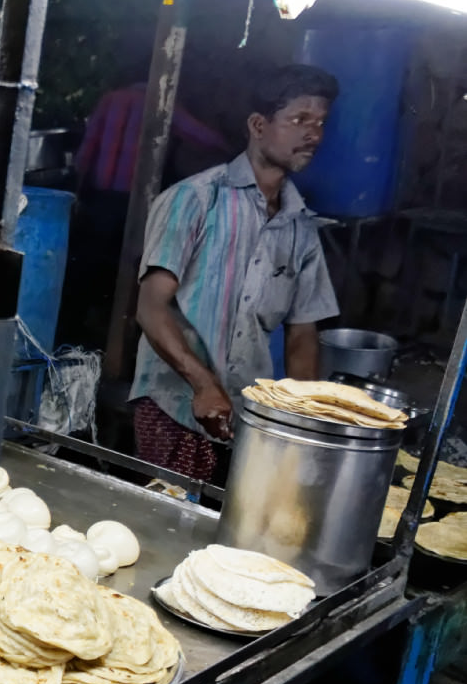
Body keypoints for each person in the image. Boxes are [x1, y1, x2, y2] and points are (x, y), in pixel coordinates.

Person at [129, 64, 341, 483]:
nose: (313, 134)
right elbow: (151, 308)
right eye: (299, 120)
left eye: (320, 123)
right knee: (166, 526)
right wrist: (203, 383)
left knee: (224, 538)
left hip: (245, 418)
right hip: (174, 405)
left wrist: (303, 421)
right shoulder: (194, 200)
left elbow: (302, 336)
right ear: (258, 125)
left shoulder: (302, 228)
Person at [59, 79, 233, 348]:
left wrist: (79, 190)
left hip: (98, 197)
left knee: (88, 265)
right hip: (132, 202)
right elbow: (200, 136)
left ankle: (75, 331)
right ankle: (114, 336)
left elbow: (87, 149)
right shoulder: (162, 101)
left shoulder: (110, 98)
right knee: (126, 268)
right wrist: (233, 151)